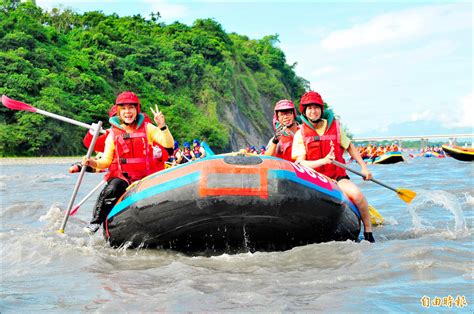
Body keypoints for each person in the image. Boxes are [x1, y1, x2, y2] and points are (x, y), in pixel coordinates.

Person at [82, 91, 174, 234]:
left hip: (146, 176)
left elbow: (168, 144)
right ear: (119, 112)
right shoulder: (112, 134)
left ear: (137, 110)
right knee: (112, 188)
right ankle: (95, 222)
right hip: (124, 177)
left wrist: (162, 126)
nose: (127, 112)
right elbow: (105, 161)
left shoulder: (148, 128)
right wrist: (93, 164)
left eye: (131, 108)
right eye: (123, 108)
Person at [291, 91, 375, 243]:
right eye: (309, 108)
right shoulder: (300, 133)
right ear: (304, 111)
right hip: (314, 179)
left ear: (321, 109)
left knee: (357, 195)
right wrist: (323, 161)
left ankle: (368, 231)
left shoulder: (335, 127)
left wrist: (364, 167)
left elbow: (350, 148)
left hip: (337, 177)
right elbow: (301, 163)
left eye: (316, 107)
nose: (313, 111)